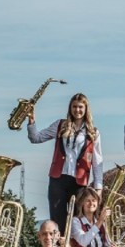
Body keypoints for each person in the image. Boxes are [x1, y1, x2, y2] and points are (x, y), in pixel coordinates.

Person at [27, 93, 104, 232]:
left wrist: (98, 187)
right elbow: (36, 138)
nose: (77, 110)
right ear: (70, 108)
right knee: (57, 219)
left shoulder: (93, 132)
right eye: (74, 107)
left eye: (80, 107)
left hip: (79, 182)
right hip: (58, 179)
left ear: (86, 109)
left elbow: (97, 161)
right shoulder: (60, 125)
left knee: (78, 220)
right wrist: (31, 120)